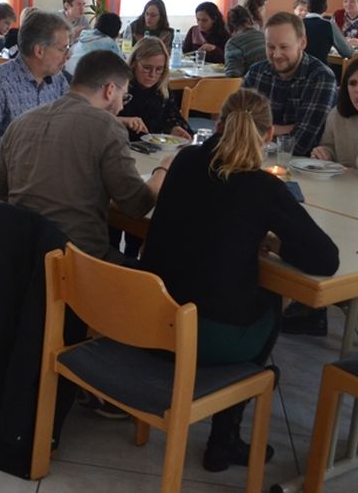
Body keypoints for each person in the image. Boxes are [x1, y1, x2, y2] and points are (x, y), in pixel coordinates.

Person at [141, 88, 339, 473]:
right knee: (268, 299)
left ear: (218, 124)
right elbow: (325, 259)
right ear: (269, 135)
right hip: (202, 338)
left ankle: (226, 426)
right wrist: (275, 242)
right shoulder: (263, 186)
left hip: (152, 321)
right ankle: (224, 435)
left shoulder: (184, 161)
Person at [0, 50, 169, 263]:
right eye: (124, 97)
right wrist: (163, 169)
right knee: (161, 273)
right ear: (110, 90)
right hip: (76, 261)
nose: (123, 106)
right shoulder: (107, 126)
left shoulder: (22, 122)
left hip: (17, 254)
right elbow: (137, 206)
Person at [0, 11, 70, 191]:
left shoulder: (58, 81)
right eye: (62, 49)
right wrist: (19, 143)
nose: (68, 55)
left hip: (37, 173)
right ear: (39, 51)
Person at [242, 12, 337, 157]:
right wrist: (286, 129)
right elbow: (236, 124)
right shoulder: (256, 72)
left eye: (284, 47)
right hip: (254, 159)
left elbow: (301, 143)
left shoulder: (321, 77)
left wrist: (258, 128)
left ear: (302, 43)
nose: (276, 54)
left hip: (301, 166)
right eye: (270, 47)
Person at [118, 37, 192, 142]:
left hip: (153, 147)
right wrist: (122, 121)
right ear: (134, 63)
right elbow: (98, 120)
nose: (152, 75)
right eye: (147, 68)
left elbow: (173, 117)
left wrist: (173, 128)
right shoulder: (120, 87)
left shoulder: (161, 89)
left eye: (159, 69)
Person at [302, 0, 354, 65]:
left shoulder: (296, 24)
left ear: (307, 7)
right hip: (320, 68)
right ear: (325, 7)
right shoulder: (329, 25)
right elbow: (347, 53)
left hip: (298, 69)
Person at [223, 5, 266, 77]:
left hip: (253, 82)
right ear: (250, 20)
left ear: (229, 26)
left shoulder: (233, 43)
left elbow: (233, 75)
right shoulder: (263, 36)